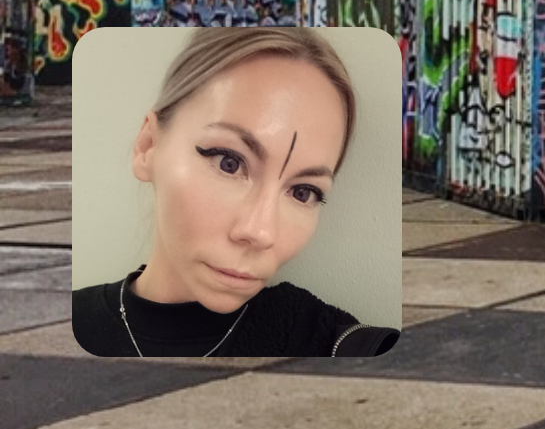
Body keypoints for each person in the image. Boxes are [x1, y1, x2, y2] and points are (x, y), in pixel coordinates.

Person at [71, 28, 399, 357]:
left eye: (303, 192)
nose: (259, 232)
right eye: (229, 163)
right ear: (148, 147)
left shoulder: (332, 344)